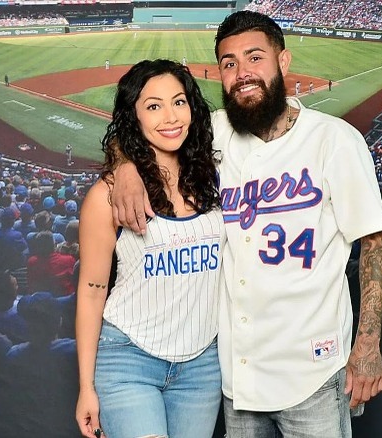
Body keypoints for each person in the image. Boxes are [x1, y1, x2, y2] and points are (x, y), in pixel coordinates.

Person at [109, 11, 382, 437]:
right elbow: (134, 129)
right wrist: (125, 164)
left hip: (312, 371)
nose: (242, 73)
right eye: (229, 63)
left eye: (254, 57)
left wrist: (368, 343)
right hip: (237, 375)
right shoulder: (215, 133)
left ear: (283, 61)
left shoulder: (335, 139)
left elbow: (374, 239)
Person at [75, 59, 223, 438]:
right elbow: (92, 293)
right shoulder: (107, 195)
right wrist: (86, 388)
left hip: (202, 365)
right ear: (134, 117)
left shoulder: (218, 171)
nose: (171, 117)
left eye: (179, 102)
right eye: (153, 106)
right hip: (129, 360)